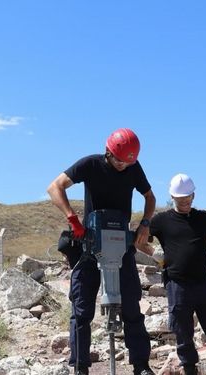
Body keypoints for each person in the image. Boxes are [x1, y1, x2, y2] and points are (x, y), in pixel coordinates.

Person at [47, 128, 156, 375]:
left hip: (122, 246)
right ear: (108, 152)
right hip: (91, 245)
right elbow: (55, 187)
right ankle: (80, 367)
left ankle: (141, 365)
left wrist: (145, 224)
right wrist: (72, 218)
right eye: (118, 160)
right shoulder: (90, 164)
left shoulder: (132, 167)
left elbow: (150, 197)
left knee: (131, 307)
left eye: (128, 162)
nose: (122, 166)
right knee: (82, 310)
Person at [139, 173, 206, 375]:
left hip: (204, 283)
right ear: (172, 198)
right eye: (180, 199)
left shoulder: (203, 218)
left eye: (187, 199)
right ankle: (189, 368)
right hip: (177, 285)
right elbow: (138, 239)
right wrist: (155, 254)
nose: (184, 203)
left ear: (193, 196)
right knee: (182, 332)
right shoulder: (161, 220)